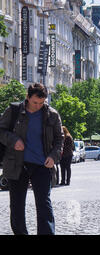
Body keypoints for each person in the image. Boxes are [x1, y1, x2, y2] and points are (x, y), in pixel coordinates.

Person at [0, 83, 63, 235]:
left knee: (44, 205)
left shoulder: (52, 115)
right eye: (35, 102)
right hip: (17, 164)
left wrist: (53, 157)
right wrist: (13, 140)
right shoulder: (13, 111)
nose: (38, 106)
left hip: (42, 165)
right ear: (27, 97)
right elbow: (1, 131)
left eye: (42, 103)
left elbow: (60, 140)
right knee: (16, 206)